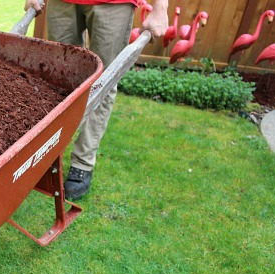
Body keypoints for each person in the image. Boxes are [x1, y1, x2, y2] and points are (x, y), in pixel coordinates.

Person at [24, 0, 169, 200]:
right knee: (57, 78)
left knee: (103, 82)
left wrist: (161, 8)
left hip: (114, 4)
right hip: (63, 3)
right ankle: (49, 155)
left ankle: (82, 162)